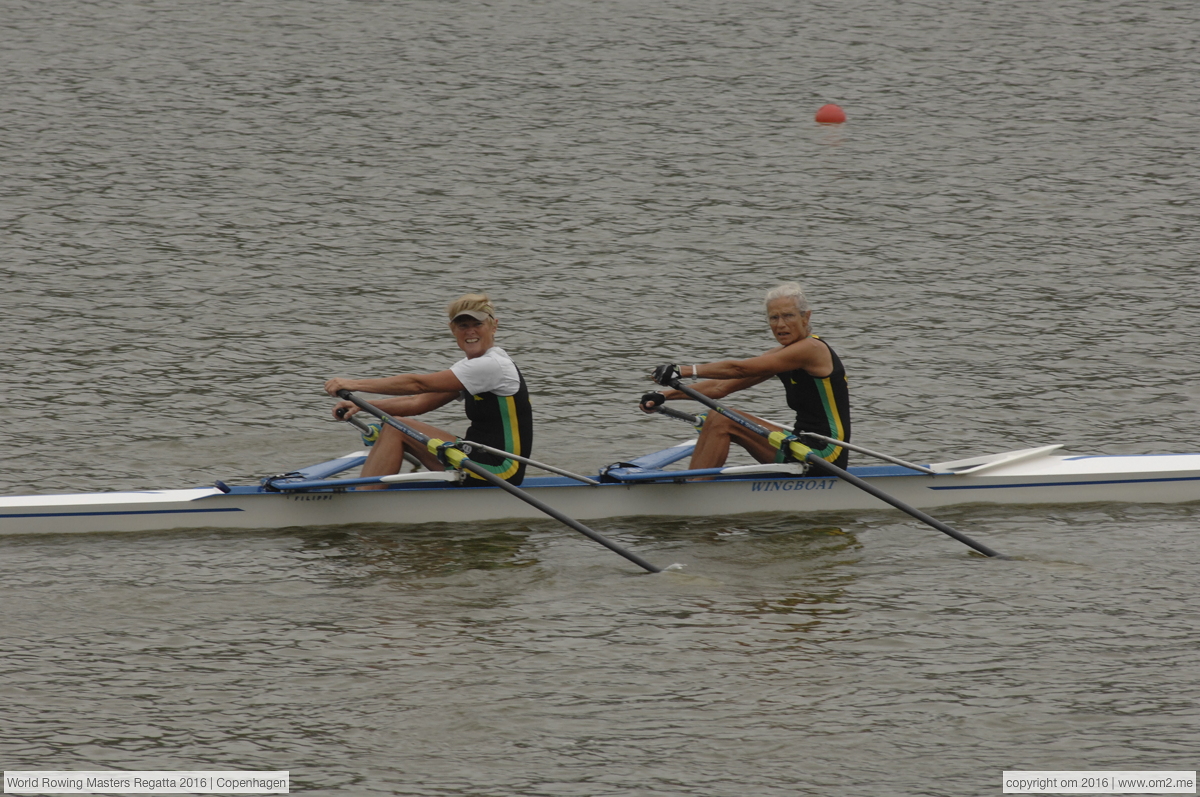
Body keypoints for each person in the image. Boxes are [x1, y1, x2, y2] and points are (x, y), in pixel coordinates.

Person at [325, 293, 533, 488]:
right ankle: (368, 492)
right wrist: (361, 405)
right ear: (452, 330)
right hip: (476, 455)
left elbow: (418, 384)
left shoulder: (492, 365)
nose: (470, 331)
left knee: (396, 427)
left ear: (494, 326)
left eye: (477, 324)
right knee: (394, 424)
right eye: (462, 325)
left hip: (501, 469)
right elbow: (417, 402)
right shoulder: (472, 368)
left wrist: (353, 384)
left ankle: (363, 499)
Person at [640, 282, 850, 471]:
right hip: (801, 442)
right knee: (717, 416)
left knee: (721, 418)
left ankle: (693, 492)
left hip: (826, 453)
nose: (780, 324)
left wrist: (683, 370)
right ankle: (693, 485)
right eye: (774, 318)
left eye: (788, 316)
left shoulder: (811, 349)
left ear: (806, 317)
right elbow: (719, 388)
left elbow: (740, 369)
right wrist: (663, 395)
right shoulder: (783, 355)